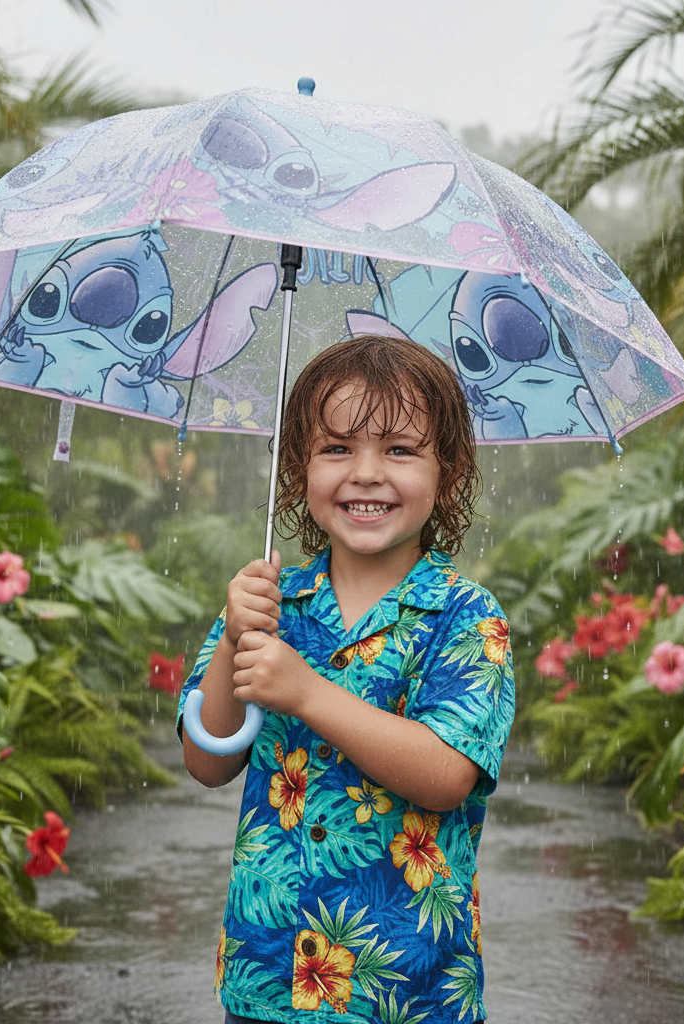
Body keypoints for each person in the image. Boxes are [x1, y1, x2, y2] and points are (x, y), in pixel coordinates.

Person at [177, 334, 515, 1024]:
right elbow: (206, 760)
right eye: (336, 448)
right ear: (299, 471)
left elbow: (446, 774)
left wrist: (305, 693)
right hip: (267, 975)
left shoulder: (465, 616)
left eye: (399, 450)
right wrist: (234, 636)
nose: (366, 473)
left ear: (448, 475)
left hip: (407, 988)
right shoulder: (270, 604)